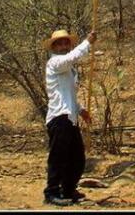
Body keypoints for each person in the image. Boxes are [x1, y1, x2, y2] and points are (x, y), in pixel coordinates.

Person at [42, 28, 95, 206]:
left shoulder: (69, 70)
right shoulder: (55, 63)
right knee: (58, 156)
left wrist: (81, 110)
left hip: (70, 117)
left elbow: (67, 95)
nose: (64, 45)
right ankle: (51, 192)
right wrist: (87, 43)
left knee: (77, 157)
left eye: (66, 42)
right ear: (54, 47)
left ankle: (68, 189)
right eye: (60, 43)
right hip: (59, 118)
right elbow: (70, 58)